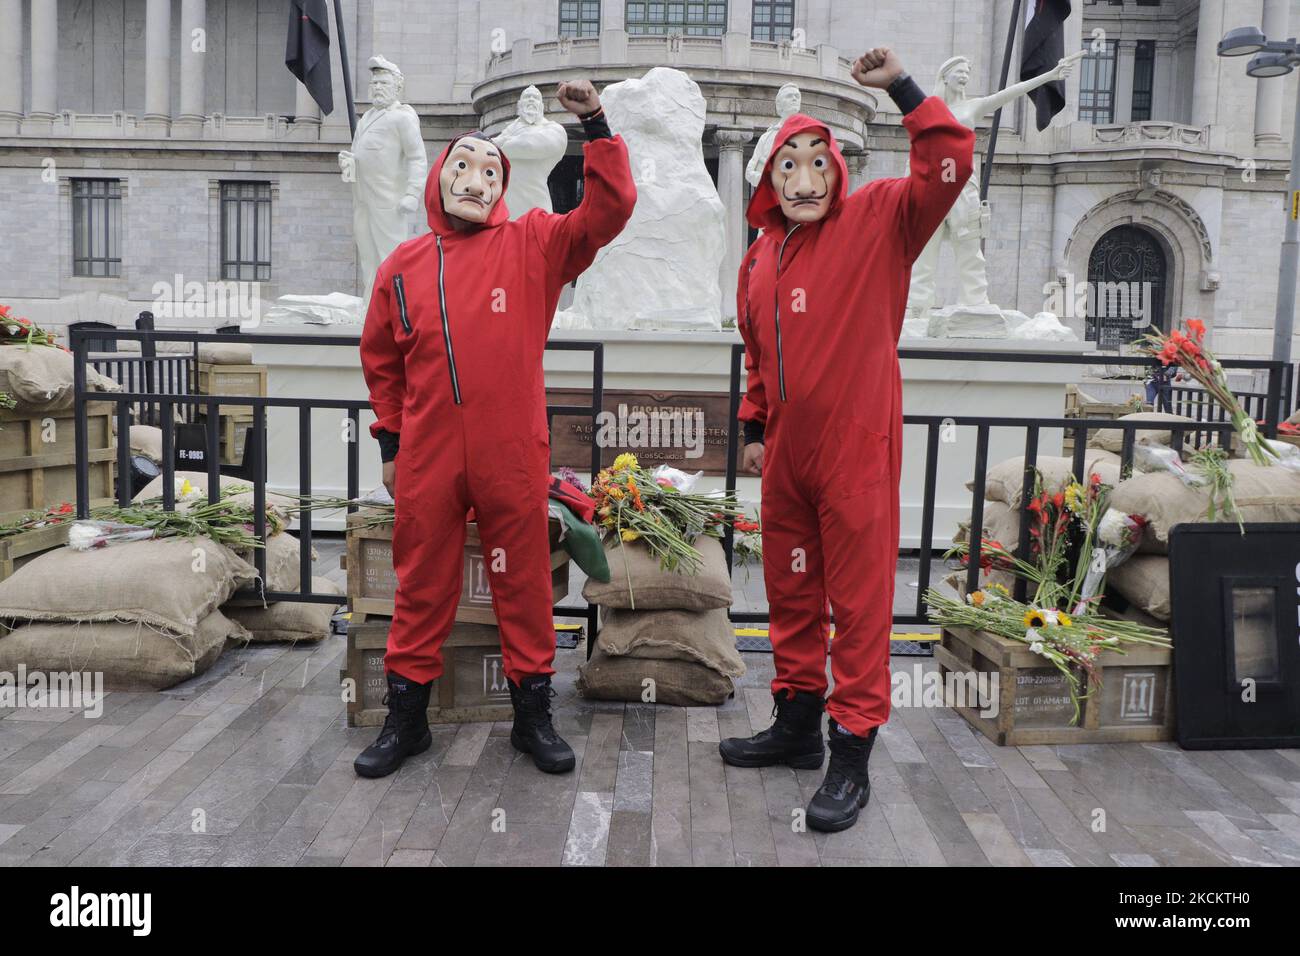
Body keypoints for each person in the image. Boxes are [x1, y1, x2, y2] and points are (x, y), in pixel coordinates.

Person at [719, 47, 974, 833]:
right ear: (767, 181)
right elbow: (759, 354)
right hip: (789, 456)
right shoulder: (759, 257)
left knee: (858, 603)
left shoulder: (881, 221)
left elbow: (949, 162)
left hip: (857, 445)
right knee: (791, 590)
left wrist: (901, 87)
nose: (802, 179)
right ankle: (796, 726)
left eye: (816, 163)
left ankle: (852, 751)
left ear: (837, 171)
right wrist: (756, 428)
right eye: (786, 165)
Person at [355, 79, 636, 779]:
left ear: (504, 186)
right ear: (438, 176)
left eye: (491, 171)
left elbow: (610, 210)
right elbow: (382, 360)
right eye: (464, 165)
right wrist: (391, 443)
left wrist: (595, 125)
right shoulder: (402, 265)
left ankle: (532, 717)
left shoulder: (534, 242)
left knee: (524, 581)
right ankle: (406, 720)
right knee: (421, 582)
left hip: (511, 448)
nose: (477, 180)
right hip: (428, 455)